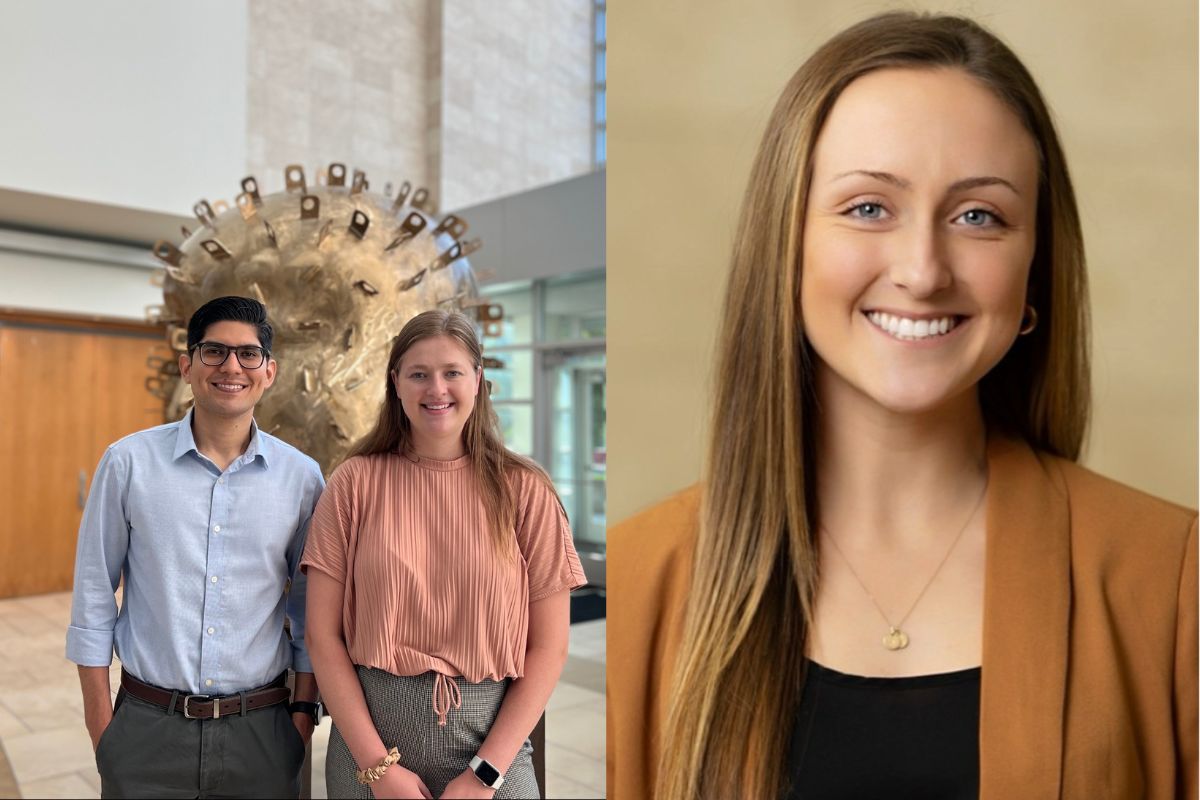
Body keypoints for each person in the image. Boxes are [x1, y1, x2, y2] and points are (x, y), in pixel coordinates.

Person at [607, 12, 1197, 800]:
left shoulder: (1172, 575)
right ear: (785, 246)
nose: (922, 270)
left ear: (1035, 272)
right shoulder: (644, 577)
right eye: (868, 208)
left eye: (978, 216)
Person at [303, 309, 586, 799]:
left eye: (452, 372)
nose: (436, 389)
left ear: (478, 380)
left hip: (490, 751)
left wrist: (484, 776)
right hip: (372, 748)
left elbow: (549, 647)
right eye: (419, 374)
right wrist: (378, 770)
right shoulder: (354, 483)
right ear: (396, 384)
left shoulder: (526, 490)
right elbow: (322, 635)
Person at [67, 296, 326, 798]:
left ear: (269, 372)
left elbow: (310, 610)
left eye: (248, 355)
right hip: (145, 730)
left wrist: (301, 717)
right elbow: (94, 596)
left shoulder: (302, 478)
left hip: (264, 732)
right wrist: (104, 730)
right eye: (214, 351)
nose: (231, 366)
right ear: (188, 365)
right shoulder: (128, 463)